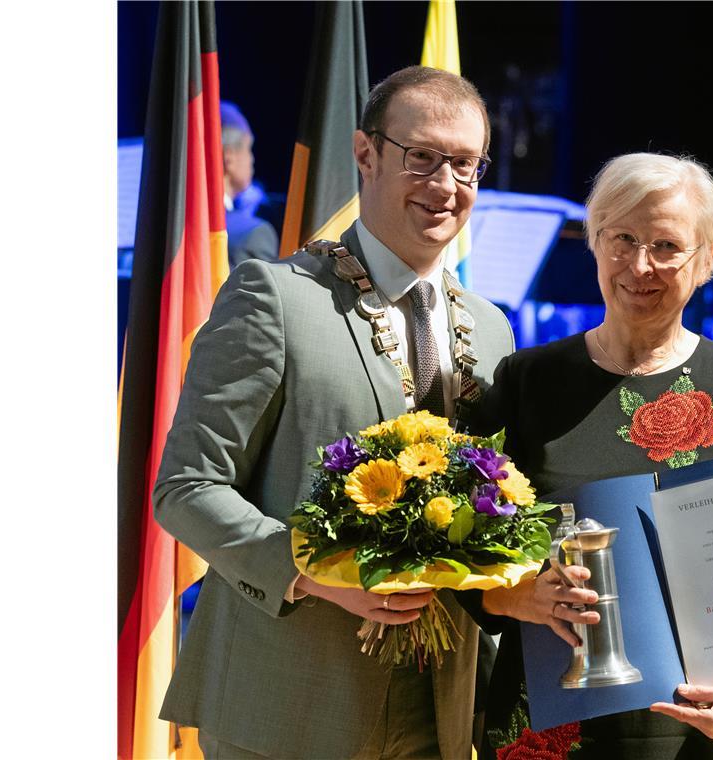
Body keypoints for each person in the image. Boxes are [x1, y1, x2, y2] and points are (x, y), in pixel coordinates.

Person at [154, 66, 514, 759]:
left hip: (442, 711)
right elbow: (185, 487)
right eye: (423, 158)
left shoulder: (493, 329)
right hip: (291, 708)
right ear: (365, 152)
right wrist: (316, 572)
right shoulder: (275, 297)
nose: (446, 186)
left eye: (466, 165)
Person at [463, 153, 713, 759]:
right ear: (594, 242)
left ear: (705, 263)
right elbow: (462, 554)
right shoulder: (525, 381)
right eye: (623, 239)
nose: (641, 266)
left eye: (668, 245)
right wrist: (513, 595)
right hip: (549, 727)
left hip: (703, 727)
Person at [220, 100, 280, 268]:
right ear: (229, 158)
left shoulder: (167, 229)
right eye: (248, 148)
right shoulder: (252, 235)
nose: (251, 159)